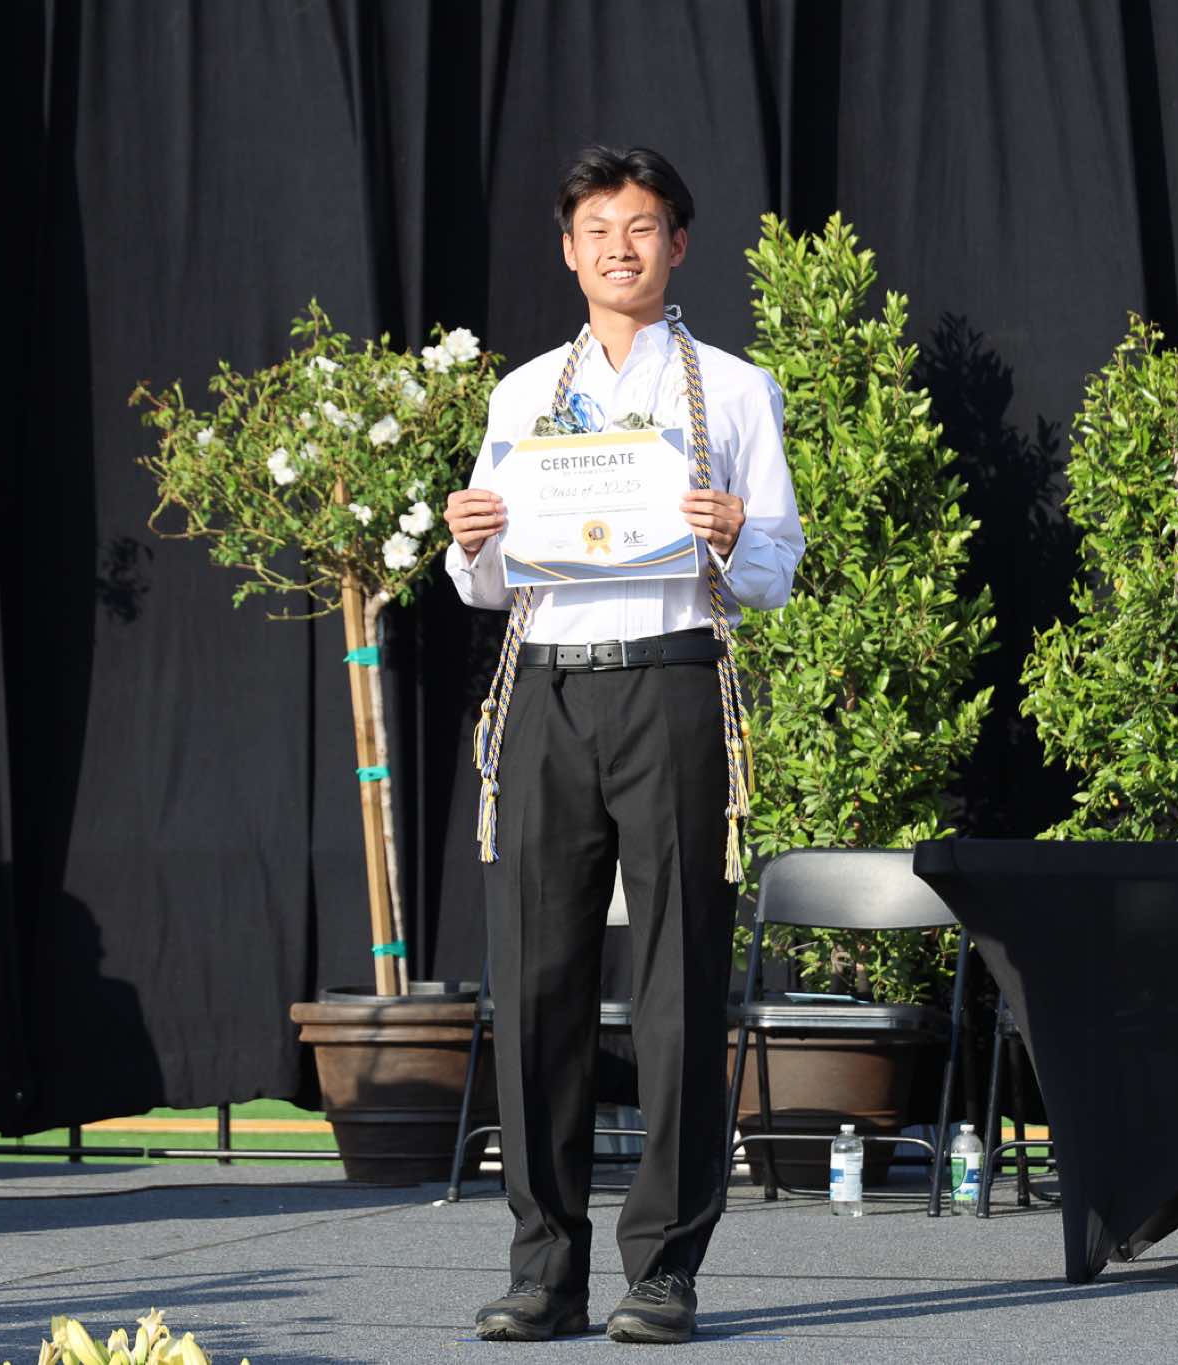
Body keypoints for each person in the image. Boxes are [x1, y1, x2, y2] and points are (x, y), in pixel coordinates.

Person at [443, 146, 803, 1343]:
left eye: (640, 226)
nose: (618, 247)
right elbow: (489, 583)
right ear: (566, 251)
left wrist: (736, 532)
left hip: (670, 684)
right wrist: (467, 537)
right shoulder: (522, 395)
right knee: (536, 984)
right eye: (596, 228)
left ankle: (664, 1267)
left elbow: (775, 572)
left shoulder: (733, 391)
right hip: (547, 691)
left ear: (676, 245)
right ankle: (542, 1267)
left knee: (677, 981)